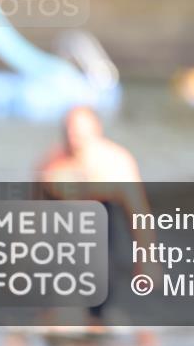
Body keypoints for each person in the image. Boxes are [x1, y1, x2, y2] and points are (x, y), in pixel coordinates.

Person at [36, 107, 157, 345]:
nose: (74, 137)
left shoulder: (116, 162)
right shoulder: (52, 162)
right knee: (53, 326)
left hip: (105, 246)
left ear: (97, 131)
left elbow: (139, 214)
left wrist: (147, 260)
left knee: (101, 322)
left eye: (80, 132)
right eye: (70, 131)